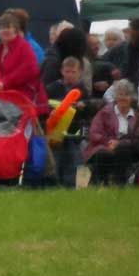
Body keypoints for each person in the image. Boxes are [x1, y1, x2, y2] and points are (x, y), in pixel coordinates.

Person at [0, 12, 47, 117]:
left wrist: (5, 83)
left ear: (16, 30)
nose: (5, 30)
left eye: (9, 27)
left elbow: (30, 70)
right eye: (2, 27)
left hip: (23, 105)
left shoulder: (24, 47)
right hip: (0, 105)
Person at [85, 80, 139, 186]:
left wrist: (120, 143)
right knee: (102, 154)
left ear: (131, 98)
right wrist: (108, 142)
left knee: (122, 150)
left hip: (128, 149)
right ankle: (98, 184)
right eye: (120, 94)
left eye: (126, 95)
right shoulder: (104, 113)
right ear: (115, 97)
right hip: (104, 146)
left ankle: (119, 184)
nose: (123, 98)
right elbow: (94, 132)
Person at [47, 56, 93, 189]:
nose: (70, 75)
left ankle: (73, 186)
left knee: (74, 159)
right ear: (62, 71)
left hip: (74, 132)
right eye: (67, 71)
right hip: (56, 133)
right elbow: (45, 104)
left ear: (79, 72)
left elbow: (90, 109)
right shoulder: (53, 88)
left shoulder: (82, 90)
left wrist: (84, 106)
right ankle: (55, 185)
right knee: (56, 159)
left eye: (73, 72)